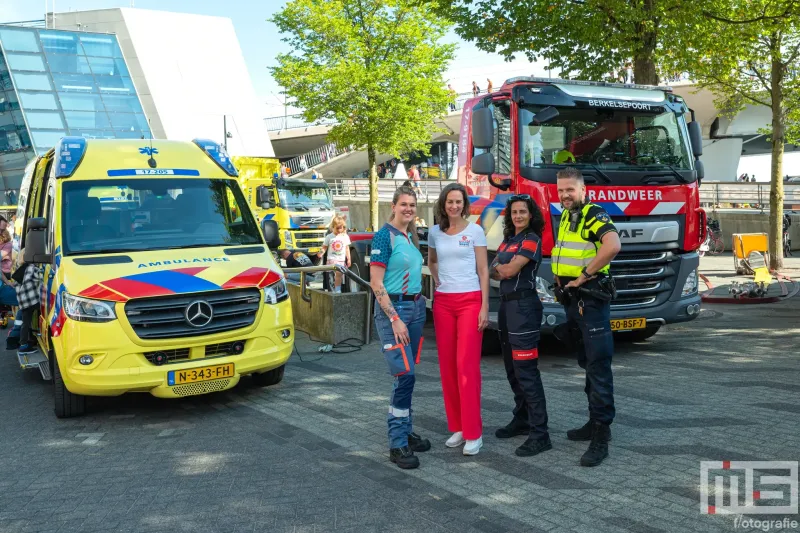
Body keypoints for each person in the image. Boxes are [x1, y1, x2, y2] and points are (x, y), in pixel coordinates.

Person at [551, 167, 621, 467]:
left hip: (590, 299)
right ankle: (593, 423)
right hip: (574, 301)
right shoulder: (568, 214)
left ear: (583, 190)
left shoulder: (593, 213)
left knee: (598, 366)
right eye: (561, 190)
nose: (565, 195)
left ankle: (601, 435)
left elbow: (613, 245)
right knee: (587, 364)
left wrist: (583, 276)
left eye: (570, 190)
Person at [369, 185, 430, 469]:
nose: (408, 209)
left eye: (412, 205)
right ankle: (397, 443)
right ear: (393, 206)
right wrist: (393, 318)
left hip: (415, 308)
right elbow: (376, 283)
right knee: (404, 375)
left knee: (409, 374)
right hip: (395, 312)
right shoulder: (384, 236)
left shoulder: (409, 235)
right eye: (403, 204)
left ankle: (405, 430)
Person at [428, 183, 489, 455]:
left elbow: (484, 271)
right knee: (448, 368)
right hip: (443, 303)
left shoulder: (475, 231)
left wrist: (484, 306)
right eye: (450, 202)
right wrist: (439, 280)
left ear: (465, 204)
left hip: (470, 302)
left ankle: (474, 433)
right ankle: (459, 427)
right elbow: (431, 261)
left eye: (458, 201)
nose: (454, 206)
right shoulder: (434, 233)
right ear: (443, 205)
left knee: (466, 367)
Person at [490, 194, 551, 457]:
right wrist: (499, 267)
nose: (517, 216)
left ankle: (541, 433)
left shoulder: (531, 239)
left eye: (522, 212)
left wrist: (500, 267)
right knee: (512, 369)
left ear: (531, 214)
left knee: (526, 371)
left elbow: (507, 271)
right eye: (514, 212)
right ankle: (523, 418)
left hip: (524, 308)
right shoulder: (509, 240)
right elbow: (493, 268)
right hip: (506, 307)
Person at [14, 251, 43, 356]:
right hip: (31, 300)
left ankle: (26, 342)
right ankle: (24, 345)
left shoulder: (20, 269)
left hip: (23, 301)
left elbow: (16, 286)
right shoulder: (31, 268)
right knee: (44, 311)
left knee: (26, 322)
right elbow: (41, 277)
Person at [319, 215, 351, 293]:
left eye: (341, 228)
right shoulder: (329, 237)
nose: (339, 230)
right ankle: (331, 289)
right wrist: (321, 253)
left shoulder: (345, 236)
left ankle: (337, 289)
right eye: (337, 228)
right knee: (330, 275)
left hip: (341, 259)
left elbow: (347, 248)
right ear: (333, 227)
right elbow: (324, 247)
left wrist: (349, 259)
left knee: (339, 275)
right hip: (331, 259)